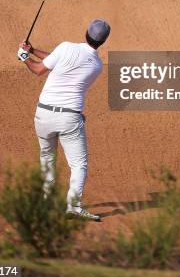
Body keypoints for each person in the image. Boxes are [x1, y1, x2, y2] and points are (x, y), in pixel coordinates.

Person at [17, 19, 111, 221]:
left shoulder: (66, 47)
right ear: (102, 42)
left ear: (86, 32)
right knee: (78, 164)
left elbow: (39, 69)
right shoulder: (97, 65)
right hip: (70, 117)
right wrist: (32, 50)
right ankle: (74, 206)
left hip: (43, 115)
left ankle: (46, 201)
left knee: (47, 158)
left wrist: (25, 56)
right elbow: (58, 60)